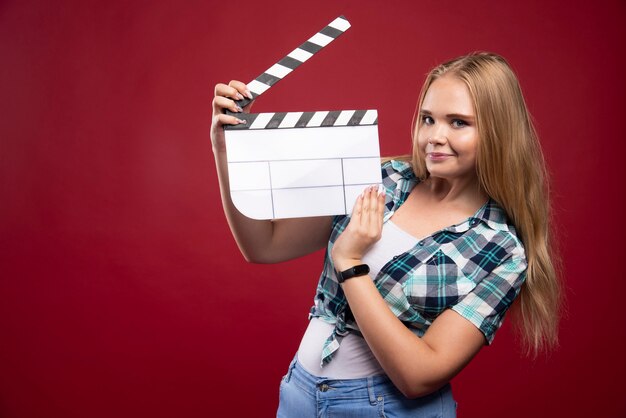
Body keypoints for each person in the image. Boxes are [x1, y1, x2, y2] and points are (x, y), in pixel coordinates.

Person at [210, 52, 561, 417]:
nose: (435, 136)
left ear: (498, 131)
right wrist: (226, 147)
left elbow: (419, 375)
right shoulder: (382, 180)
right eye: (428, 119)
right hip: (299, 395)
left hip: (383, 408)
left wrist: (349, 264)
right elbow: (263, 245)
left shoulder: (501, 249)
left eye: (458, 123)